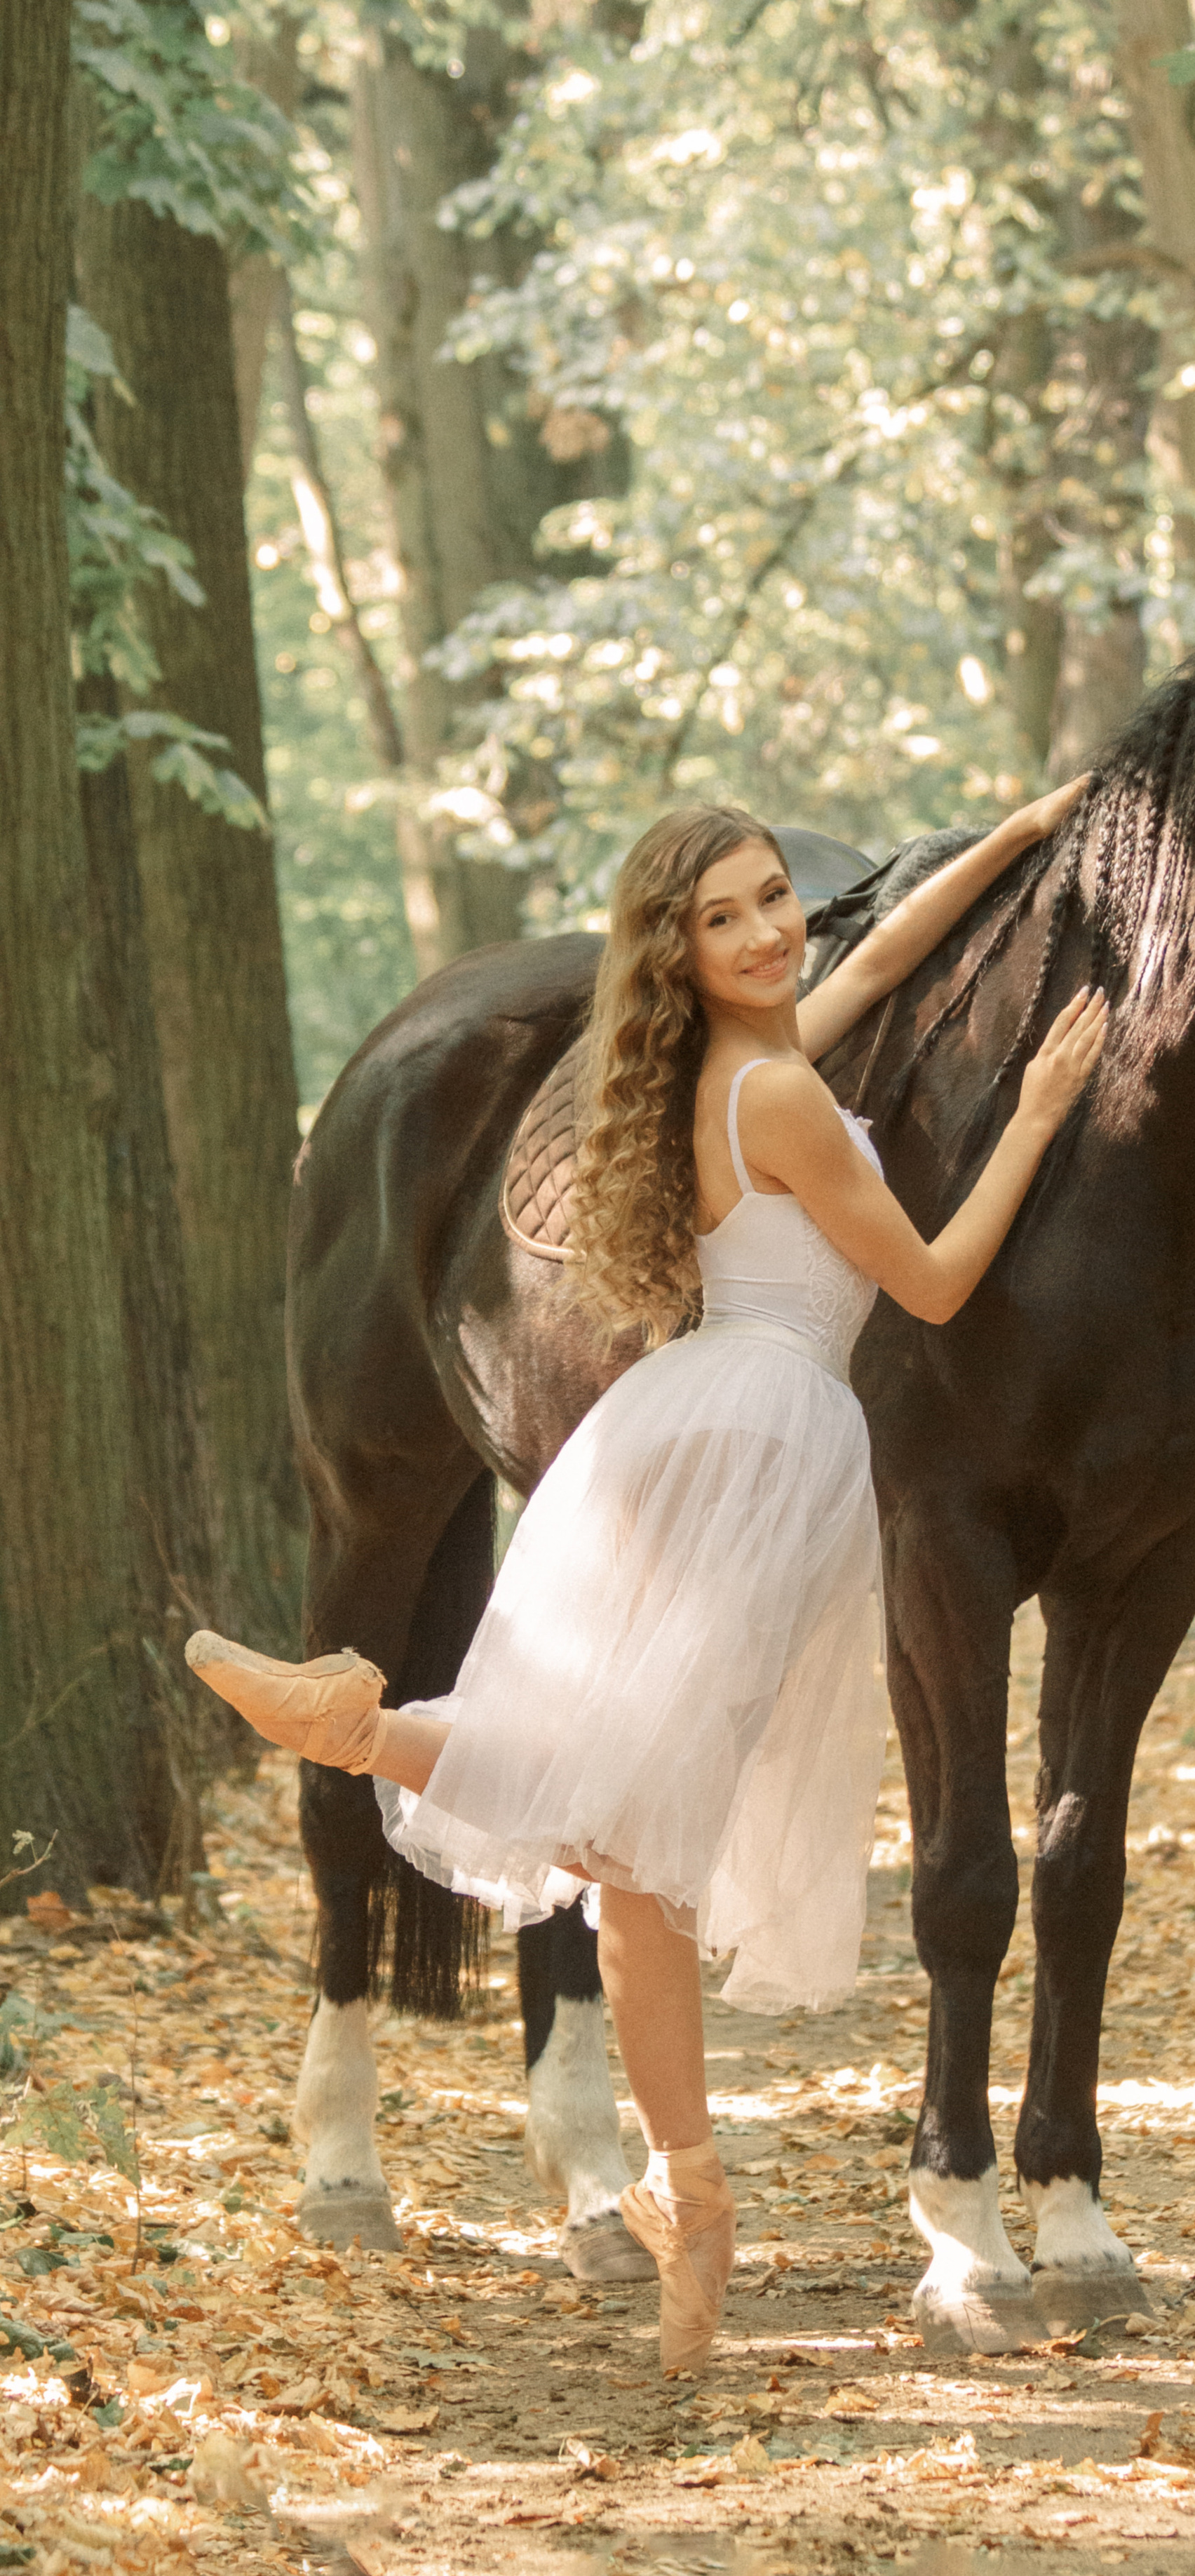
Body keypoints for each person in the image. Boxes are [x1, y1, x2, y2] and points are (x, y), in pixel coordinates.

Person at [188, 789, 1106, 2373]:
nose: (769, 930)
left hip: (678, 1424)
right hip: (762, 1451)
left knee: (629, 1849)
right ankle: (686, 2198)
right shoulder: (788, 1107)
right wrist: (1032, 1113)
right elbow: (937, 1286)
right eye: (727, 917)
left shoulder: (720, 1073)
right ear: (680, 951)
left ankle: (369, 1730)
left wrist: (1016, 832)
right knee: (634, 1835)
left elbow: (880, 949)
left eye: (772, 900)